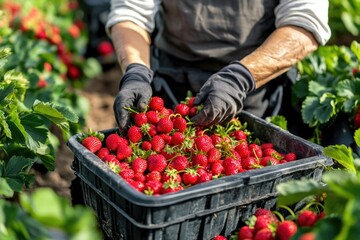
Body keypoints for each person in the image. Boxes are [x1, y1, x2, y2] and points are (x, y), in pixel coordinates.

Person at [105, 0, 331, 131]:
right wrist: (136, 71)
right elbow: (131, 12)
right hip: (171, 82)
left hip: (254, 86)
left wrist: (239, 78)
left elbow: (304, 23)